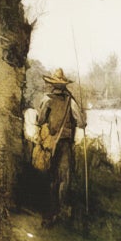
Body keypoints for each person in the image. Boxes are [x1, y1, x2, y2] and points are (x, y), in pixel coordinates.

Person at [32, 70, 83, 220]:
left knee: (51, 175)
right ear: (64, 85)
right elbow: (80, 121)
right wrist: (82, 123)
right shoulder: (71, 101)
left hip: (50, 144)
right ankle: (61, 209)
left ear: (52, 85)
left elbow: (40, 120)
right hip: (65, 143)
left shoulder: (46, 99)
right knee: (64, 177)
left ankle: (49, 210)